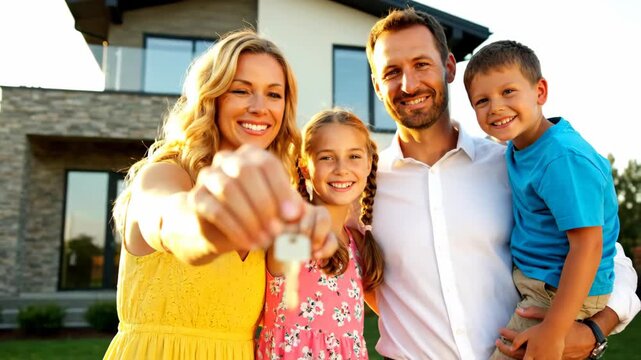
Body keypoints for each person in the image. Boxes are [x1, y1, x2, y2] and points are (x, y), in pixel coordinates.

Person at [364, 8, 640, 359]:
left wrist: (594, 330)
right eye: (391, 72)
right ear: (376, 85)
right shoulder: (363, 187)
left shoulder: (510, 163)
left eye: (421, 64)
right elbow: (353, 281)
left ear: (449, 67)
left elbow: (609, 256)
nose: (409, 84)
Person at [103, 29, 337, 360]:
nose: (259, 107)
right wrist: (210, 223)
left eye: (274, 94)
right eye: (241, 90)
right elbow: (173, 223)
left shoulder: (268, 198)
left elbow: (284, 270)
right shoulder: (162, 174)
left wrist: (314, 230)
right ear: (212, 97)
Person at [463, 39, 618, 359]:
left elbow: (587, 245)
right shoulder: (519, 148)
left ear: (540, 92)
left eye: (508, 91)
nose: (496, 107)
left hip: (558, 291)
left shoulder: (562, 158)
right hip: (540, 281)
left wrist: (555, 330)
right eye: (482, 100)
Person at [257, 109, 385, 359]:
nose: (341, 169)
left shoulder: (357, 242)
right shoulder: (296, 233)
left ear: (369, 163)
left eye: (354, 156)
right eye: (327, 158)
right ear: (305, 165)